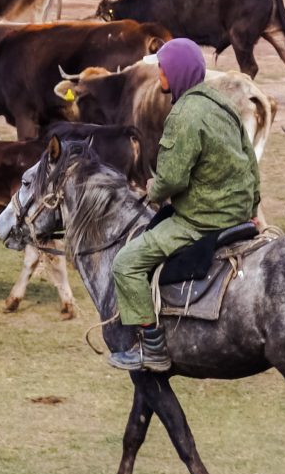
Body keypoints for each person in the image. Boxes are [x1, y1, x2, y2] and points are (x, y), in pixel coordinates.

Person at [107, 37, 260, 372]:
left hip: (200, 220)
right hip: (239, 213)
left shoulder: (183, 114)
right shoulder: (223, 106)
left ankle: (152, 348)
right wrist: (252, 209)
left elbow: (172, 179)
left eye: (163, 68)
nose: (160, 73)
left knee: (126, 263)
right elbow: (251, 162)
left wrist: (153, 189)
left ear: (177, 73)